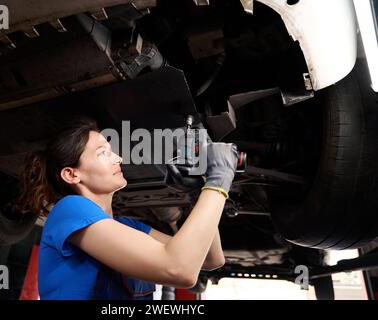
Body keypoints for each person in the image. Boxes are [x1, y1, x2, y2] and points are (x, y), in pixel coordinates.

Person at [17, 118, 239, 300]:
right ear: (72, 174)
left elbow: (211, 260)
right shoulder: (69, 209)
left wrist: (197, 193)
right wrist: (218, 180)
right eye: (103, 153)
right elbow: (179, 269)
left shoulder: (129, 226)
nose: (119, 158)